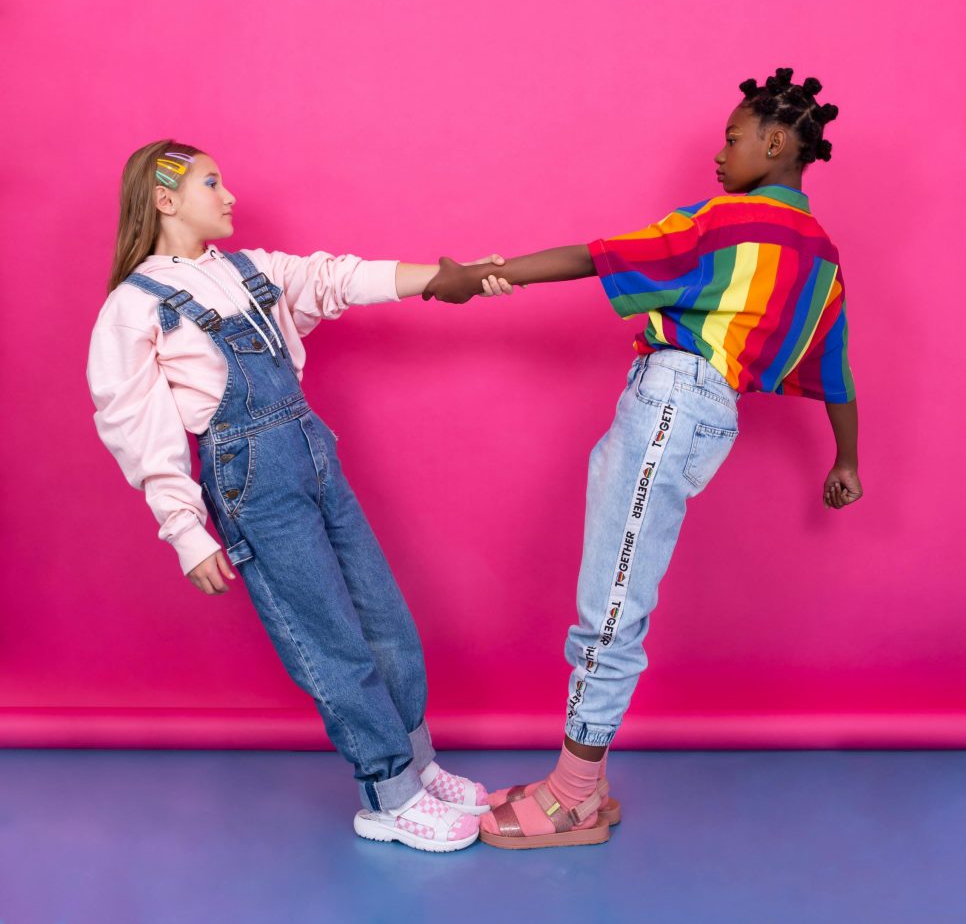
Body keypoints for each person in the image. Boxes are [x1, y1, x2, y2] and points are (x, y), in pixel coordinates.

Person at [423, 68, 863, 849]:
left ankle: (576, 797)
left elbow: (600, 256)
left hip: (670, 404)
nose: (719, 155)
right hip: (704, 415)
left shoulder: (730, 222)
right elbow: (836, 371)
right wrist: (847, 460)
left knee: (613, 601)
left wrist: (480, 278)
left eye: (732, 139)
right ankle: (578, 774)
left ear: (775, 141)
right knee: (618, 586)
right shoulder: (823, 257)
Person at [87, 140, 508, 853]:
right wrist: (186, 529)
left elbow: (336, 278)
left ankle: (417, 765)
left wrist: (440, 279)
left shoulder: (253, 270)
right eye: (211, 183)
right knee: (329, 638)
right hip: (249, 477)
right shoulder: (136, 307)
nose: (229, 196)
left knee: (384, 617)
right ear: (165, 200)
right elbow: (134, 423)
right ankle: (385, 793)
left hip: (313, 454)